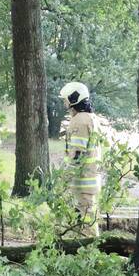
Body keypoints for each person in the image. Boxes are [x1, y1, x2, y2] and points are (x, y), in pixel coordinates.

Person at [59, 81, 102, 235]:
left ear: (73, 99)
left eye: (65, 100)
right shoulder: (91, 118)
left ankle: (91, 254)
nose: (64, 103)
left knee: (86, 221)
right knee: (83, 219)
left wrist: (65, 178)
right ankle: (80, 253)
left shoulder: (80, 121)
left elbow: (77, 154)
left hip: (82, 181)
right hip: (90, 179)